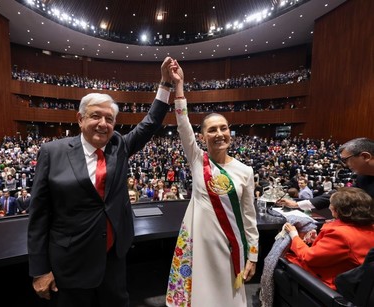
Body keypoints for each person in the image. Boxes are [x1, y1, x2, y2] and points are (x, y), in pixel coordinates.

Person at [27, 57, 174, 307]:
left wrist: (165, 83)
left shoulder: (119, 146)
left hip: (113, 258)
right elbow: (39, 215)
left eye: (109, 119)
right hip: (70, 262)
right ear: (80, 119)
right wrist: (40, 270)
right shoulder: (53, 152)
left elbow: (150, 123)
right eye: (96, 116)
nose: (103, 124)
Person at [165, 60, 259, 306]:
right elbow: (183, 124)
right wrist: (179, 86)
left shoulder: (245, 171)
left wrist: (253, 255)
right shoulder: (197, 159)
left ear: (230, 132)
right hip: (200, 245)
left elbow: (249, 217)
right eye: (212, 130)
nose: (219, 134)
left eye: (224, 128)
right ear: (203, 136)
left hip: (230, 247)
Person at [283, 187, 374, 290]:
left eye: (331, 204)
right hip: (356, 283)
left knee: (281, 258)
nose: (330, 206)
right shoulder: (369, 228)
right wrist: (319, 240)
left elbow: (309, 258)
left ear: (337, 210)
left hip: (329, 285)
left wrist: (294, 235)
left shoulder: (340, 234)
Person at [277, 137, 374, 210]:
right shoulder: (362, 177)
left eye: (346, 160)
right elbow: (340, 195)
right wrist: (297, 204)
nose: (345, 165)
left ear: (365, 157)